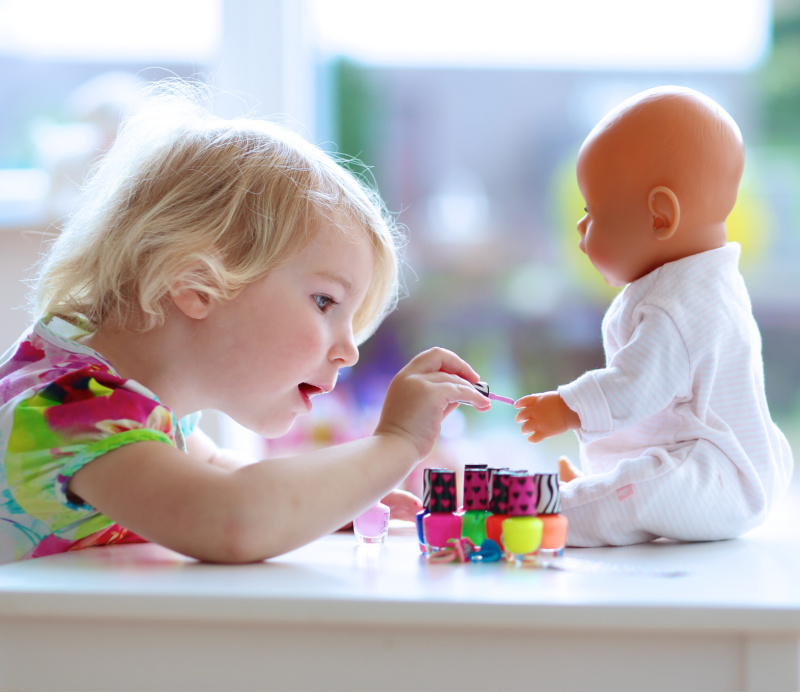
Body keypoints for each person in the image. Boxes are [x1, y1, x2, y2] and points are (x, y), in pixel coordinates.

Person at [0, 82, 492, 564]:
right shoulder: (68, 409)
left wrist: (322, 507)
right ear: (197, 283)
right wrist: (397, 442)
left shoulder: (132, 398)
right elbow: (233, 519)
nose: (349, 352)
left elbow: (215, 471)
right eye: (325, 302)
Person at [514, 86, 794, 547]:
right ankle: (595, 488)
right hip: (722, 459)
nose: (581, 227)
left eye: (593, 212)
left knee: (639, 494)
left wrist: (567, 407)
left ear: (660, 215)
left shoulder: (678, 304)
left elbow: (635, 386)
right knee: (645, 472)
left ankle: (567, 511)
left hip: (719, 474)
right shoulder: (698, 280)